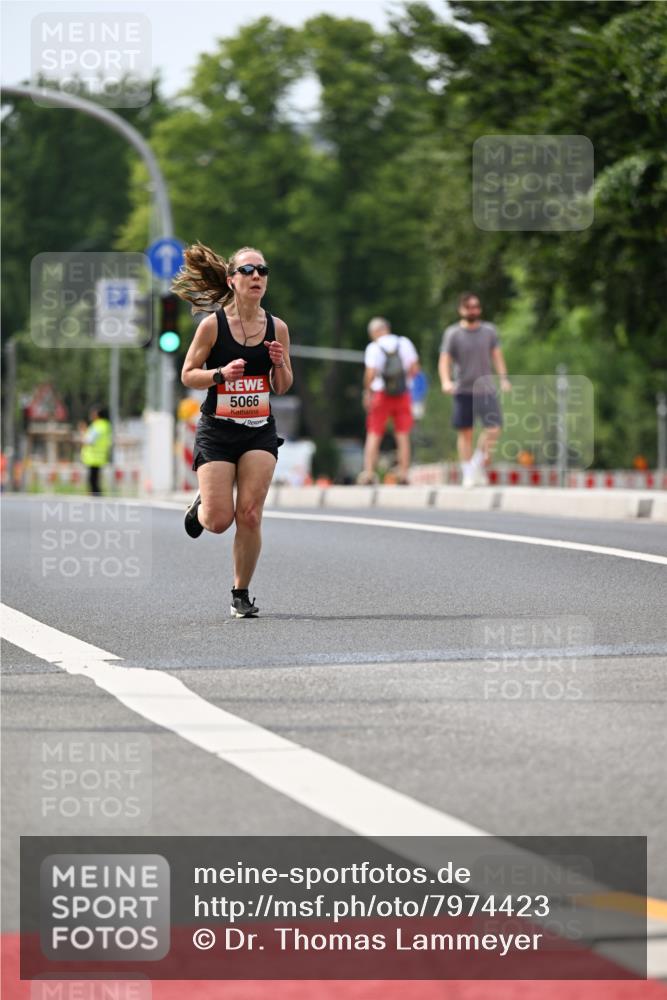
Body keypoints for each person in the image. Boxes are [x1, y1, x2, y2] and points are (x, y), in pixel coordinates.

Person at [175, 242, 292, 619]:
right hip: (218, 431)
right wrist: (220, 374)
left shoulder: (277, 328)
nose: (257, 276)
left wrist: (279, 365)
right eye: (248, 270)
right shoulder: (213, 325)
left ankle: (240, 593)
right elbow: (188, 374)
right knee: (219, 520)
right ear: (232, 280)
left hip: (259, 430)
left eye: (263, 270)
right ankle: (201, 508)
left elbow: (283, 385)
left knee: (251, 514)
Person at [439, 292, 511, 487]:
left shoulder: (489, 331)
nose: (474, 310)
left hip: (486, 388)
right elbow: (445, 359)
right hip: (463, 389)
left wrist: (504, 378)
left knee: (494, 428)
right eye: (469, 307)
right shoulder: (453, 333)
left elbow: (497, 355)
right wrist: (446, 381)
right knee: (466, 433)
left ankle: (477, 463)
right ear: (461, 309)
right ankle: (468, 473)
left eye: (476, 306)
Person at [359, 317, 420, 485]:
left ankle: (370, 473)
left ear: (374, 332)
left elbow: (370, 373)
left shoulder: (374, 347)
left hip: (381, 394)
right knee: (402, 434)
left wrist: (367, 393)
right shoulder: (404, 342)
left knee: (374, 433)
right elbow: (415, 368)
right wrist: (403, 382)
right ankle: (404, 473)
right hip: (403, 394)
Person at [79, 406, 112, 496]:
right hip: (100, 456)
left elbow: (88, 440)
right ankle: (97, 495)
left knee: (93, 480)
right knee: (96, 479)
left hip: (93, 457)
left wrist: (83, 431)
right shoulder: (106, 425)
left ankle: (95, 496)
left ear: (97, 415)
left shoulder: (97, 426)